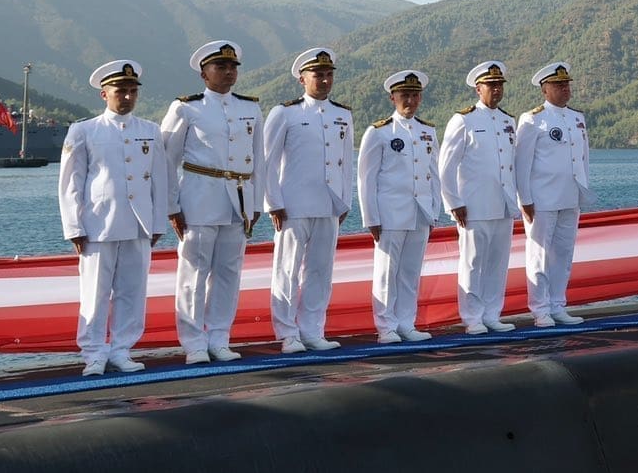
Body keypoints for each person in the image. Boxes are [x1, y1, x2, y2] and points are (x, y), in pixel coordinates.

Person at [58, 60, 168, 376]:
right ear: (104, 94)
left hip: (138, 224)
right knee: (95, 292)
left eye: (133, 91)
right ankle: (93, 352)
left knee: (132, 293)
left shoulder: (150, 130)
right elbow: (71, 182)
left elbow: (159, 180)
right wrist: (74, 226)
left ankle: (121, 350)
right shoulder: (84, 130)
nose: (128, 97)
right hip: (98, 225)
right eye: (121, 91)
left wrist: (157, 222)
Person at [161, 40, 265, 365]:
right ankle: (194, 343)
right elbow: (167, 161)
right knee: (194, 274)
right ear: (204, 74)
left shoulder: (250, 108)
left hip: (238, 200)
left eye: (233, 67)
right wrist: (171, 206)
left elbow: (259, 160)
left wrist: (256, 203)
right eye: (221, 67)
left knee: (228, 273)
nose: (229, 72)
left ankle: (220, 338)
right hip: (199, 198)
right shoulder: (186, 108)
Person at [261, 47, 355, 354]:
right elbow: (267, 162)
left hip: (329, 204)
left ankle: (313, 330)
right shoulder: (285, 113)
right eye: (318, 75)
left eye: (328, 75)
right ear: (302, 79)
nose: (324, 80)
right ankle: (288, 333)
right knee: (287, 270)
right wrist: (273, 202)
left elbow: (346, 162)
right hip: (294, 204)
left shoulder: (342, 114)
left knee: (320, 271)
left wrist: (345, 200)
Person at [357, 68, 440, 344]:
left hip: (420, 212)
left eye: (415, 95)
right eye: (404, 95)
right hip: (390, 213)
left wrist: (434, 210)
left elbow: (434, 173)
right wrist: (371, 217)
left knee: (410, 272)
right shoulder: (379, 132)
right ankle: (386, 327)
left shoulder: (427, 131)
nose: (410, 100)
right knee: (387, 272)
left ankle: (406, 323)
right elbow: (366, 178)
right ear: (392, 97)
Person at [439, 61, 520, 333]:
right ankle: (473, 318)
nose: (496, 89)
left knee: (498, 264)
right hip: (473, 206)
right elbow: (445, 167)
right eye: (491, 85)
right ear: (478, 89)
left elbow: (511, 164)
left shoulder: (508, 121)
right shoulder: (464, 120)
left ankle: (492, 314)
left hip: (503, 204)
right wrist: (454, 202)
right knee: (473, 263)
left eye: (499, 85)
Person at [515, 61, 594, 328]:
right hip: (542, 199)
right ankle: (540, 309)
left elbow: (583, 160)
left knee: (563, 254)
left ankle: (558, 304)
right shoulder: (533, 119)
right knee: (539, 255)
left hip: (570, 196)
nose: (564, 89)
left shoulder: (577, 118)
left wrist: (582, 191)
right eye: (558, 85)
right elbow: (522, 163)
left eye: (566, 84)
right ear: (544, 89)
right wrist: (525, 199)